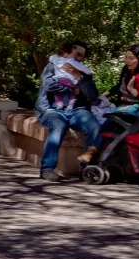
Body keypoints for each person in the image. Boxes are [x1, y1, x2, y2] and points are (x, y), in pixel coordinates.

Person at [36, 41, 102, 181]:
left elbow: (92, 94)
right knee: (58, 126)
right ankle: (47, 169)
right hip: (52, 109)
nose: (78, 58)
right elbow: (49, 86)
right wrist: (72, 89)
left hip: (77, 110)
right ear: (67, 53)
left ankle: (86, 168)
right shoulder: (53, 65)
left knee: (95, 127)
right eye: (77, 54)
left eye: (81, 56)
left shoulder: (83, 71)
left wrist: (79, 77)